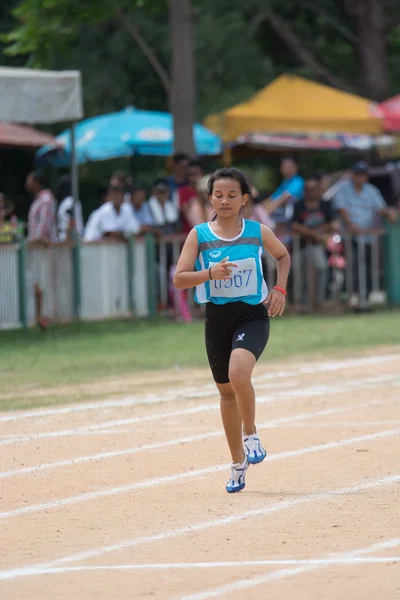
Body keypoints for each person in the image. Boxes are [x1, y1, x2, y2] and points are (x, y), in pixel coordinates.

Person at [173, 167, 290, 493]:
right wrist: (209, 273)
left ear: (244, 200)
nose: (224, 201)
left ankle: (251, 434)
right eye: (218, 195)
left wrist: (279, 290)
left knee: (239, 374)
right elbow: (180, 278)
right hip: (217, 320)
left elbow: (282, 255)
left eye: (231, 195)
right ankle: (238, 463)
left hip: (252, 315)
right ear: (209, 198)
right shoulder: (199, 235)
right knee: (226, 394)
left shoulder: (257, 231)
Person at [334, 161, 398, 306]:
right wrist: (350, 225)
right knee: (353, 266)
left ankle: (365, 298)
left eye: (363, 175)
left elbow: (380, 208)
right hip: (350, 237)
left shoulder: (371, 190)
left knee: (368, 268)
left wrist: (390, 213)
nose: (360, 178)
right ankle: (351, 297)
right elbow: (341, 208)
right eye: (357, 175)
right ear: (353, 175)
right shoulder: (344, 189)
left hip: (368, 237)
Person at [292, 177, 337, 306]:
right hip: (300, 245)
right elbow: (294, 225)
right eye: (307, 189)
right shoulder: (298, 205)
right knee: (297, 271)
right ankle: (300, 301)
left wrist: (320, 231)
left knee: (322, 268)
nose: (310, 192)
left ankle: (320, 299)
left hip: (319, 245)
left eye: (313, 189)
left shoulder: (325, 204)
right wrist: (312, 233)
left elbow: (334, 223)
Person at [26, 171, 58, 328]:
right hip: (37, 247)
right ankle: (39, 317)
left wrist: (35, 240)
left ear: (36, 183)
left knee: (43, 283)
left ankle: (44, 317)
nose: (27, 184)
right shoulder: (39, 200)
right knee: (37, 283)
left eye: (29, 181)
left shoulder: (46, 200)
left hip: (42, 247)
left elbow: (44, 224)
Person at [263, 156, 304, 244]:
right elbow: (272, 198)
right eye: (284, 167)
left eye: (288, 167)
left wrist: (265, 212)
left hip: (290, 216)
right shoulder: (285, 182)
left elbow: (283, 199)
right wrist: (258, 208)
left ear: (295, 168)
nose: (286, 170)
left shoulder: (297, 181)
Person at [57, 175, 84, 242]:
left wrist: (67, 240)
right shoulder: (71, 201)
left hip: (70, 239)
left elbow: (72, 221)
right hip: (70, 238)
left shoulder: (69, 202)